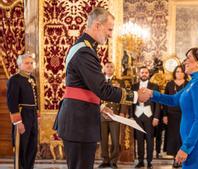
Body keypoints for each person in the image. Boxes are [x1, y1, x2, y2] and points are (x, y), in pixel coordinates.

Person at [56, 8, 149, 169]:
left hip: (80, 118)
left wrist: (99, 106)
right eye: (110, 29)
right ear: (97, 25)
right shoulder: (84, 51)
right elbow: (102, 89)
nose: (111, 35)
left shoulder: (85, 48)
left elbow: (82, 87)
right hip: (79, 122)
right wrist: (135, 96)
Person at [143, 47, 198, 169]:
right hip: (192, 143)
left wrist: (186, 148)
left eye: (188, 58)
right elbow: (174, 100)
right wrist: (152, 94)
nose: (184, 62)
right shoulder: (194, 82)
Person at [7, 53, 40, 169]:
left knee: (32, 146)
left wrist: (38, 117)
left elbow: (36, 100)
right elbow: (12, 103)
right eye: (27, 63)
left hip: (32, 116)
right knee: (22, 146)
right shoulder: (14, 80)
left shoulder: (32, 78)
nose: (30, 65)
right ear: (20, 65)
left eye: (31, 63)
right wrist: (18, 122)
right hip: (23, 115)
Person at [131, 66, 160, 169]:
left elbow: (157, 102)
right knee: (139, 139)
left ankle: (149, 161)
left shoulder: (154, 86)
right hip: (137, 115)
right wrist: (131, 116)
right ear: (139, 74)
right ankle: (140, 161)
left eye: (146, 72)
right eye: (142, 72)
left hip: (150, 115)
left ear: (149, 74)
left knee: (149, 139)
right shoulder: (133, 86)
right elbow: (130, 102)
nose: (144, 74)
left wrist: (156, 117)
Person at [98, 62, 124, 169]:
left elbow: (124, 97)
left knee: (115, 139)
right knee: (103, 139)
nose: (109, 68)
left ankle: (113, 161)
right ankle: (105, 160)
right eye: (107, 66)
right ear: (104, 68)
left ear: (114, 69)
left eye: (111, 66)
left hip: (115, 114)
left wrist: (122, 112)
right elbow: (95, 96)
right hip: (102, 113)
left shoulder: (120, 82)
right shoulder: (99, 81)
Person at [162, 65, 188, 168]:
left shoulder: (188, 84)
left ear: (184, 73)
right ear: (174, 73)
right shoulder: (169, 84)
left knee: (183, 136)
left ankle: (183, 160)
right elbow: (165, 100)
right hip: (171, 115)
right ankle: (175, 159)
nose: (179, 73)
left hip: (185, 114)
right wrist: (164, 115)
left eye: (181, 72)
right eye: (177, 71)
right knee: (173, 137)